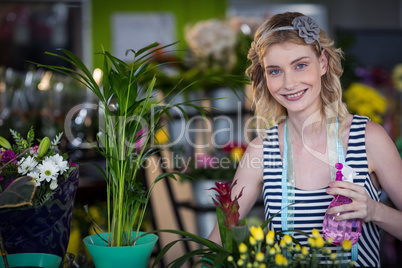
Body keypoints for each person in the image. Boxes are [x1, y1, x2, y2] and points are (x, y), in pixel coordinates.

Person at [207, 12, 402, 267]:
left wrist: (374, 211)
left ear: (322, 62)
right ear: (264, 77)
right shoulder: (261, 151)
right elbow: (216, 243)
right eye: (275, 71)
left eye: (300, 65)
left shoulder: (367, 138)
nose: (289, 83)